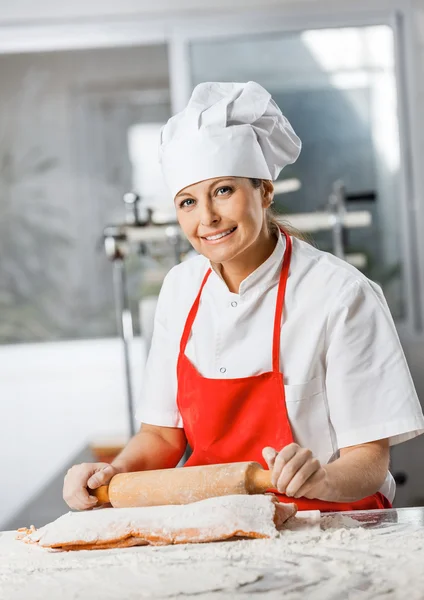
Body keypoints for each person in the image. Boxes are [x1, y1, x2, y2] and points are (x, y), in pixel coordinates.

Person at [64, 81, 424, 512]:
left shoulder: (340, 294)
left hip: (326, 518)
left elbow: (369, 460)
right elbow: (161, 437)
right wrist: (112, 473)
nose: (207, 218)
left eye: (223, 190)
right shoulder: (179, 290)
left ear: (265, 191)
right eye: (187, 202)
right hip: (214, 522)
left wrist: (321, 478)